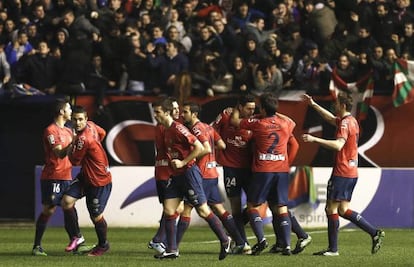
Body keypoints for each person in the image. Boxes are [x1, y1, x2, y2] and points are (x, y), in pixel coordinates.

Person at [302, 93, 385, 256]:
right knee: (343, 209)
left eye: (337, 103)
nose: (335, 105)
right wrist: (313, 104)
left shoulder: (345, 124)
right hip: (352, 171)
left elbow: (338, 145)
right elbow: (331, 119)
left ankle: (333, 249)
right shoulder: (351, 121)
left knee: (330, 208)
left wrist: (314, 139)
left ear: (343, 105)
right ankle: (374, 233)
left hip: (342, 170)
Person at [152, 97, 231, 260]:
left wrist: (183, 162)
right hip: (176, 176)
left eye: (158, 112)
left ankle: (225, 240)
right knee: (168, 210)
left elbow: (200, 147)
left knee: (203, 211)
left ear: (166, 113)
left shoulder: (178, 128)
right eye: (154, 112)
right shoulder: (165, 130)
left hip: (189, 174)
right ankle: (172, 249)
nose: (155, 115)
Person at [179, 102, 250, 254]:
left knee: (186, 210)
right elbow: (222, 145)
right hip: (212, 174)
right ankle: (242, 244)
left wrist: (190, 156)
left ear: (194, 114)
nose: (181, 115)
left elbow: (206, 149)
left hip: (201, 175)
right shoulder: (208, 127)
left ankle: (172, 247)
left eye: (185, 112)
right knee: (219, 209)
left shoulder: (196, 129)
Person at [230, 92, 295, 255]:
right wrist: (275, 112)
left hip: (263, 169)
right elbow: (292, 123)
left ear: (263, 109)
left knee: (253, 205)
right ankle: (287, 246)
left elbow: (235, 122)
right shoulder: (285, 123)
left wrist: (237, 107)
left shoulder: (258, 123)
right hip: (281, 170)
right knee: (281, 207)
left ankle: (261, 239)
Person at [61, 105, 112, 257]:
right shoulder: (92, 126)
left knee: (96, 216)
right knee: (66, 201)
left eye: (81, 120)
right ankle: (77, 236)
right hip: (86, 175)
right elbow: (102, 133)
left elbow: (74, 160)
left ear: (86, 119)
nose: (78, 123)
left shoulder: (83, 139)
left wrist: (72, 145)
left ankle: (103, 245)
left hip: (99, 180)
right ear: (71, 120)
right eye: (75, 120)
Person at [32, 99, 75, 256]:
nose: (71, 111)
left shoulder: (69, 131)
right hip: (53, 176)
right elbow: (58, 153)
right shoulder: (51, 130)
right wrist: (72, 144)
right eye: (69, 108)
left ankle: (75, 241)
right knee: (49, 210)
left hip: (67, 175)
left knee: (69, 207)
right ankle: (37, 246)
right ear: (62, 112)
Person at [212, 94, 256, 248]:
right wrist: (219, 143)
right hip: (231, 168)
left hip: (250, 169)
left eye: (253, 109)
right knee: (236, 206)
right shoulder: (225, 114)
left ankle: (233, 229)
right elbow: (211, 130)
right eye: (249, 108)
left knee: (256, 203)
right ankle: (242, 243)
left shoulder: (254, 121)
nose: (251, 112)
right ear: (240, 107)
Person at [147, 97, 183, 254]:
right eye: (173, 109)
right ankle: (160, 240)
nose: (177, 111)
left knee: (171, 209)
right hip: (166, 173)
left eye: (177, 108)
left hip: (165, 172)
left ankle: (161, 240)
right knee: (174, 209)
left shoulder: (167, 126)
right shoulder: (165, 127)